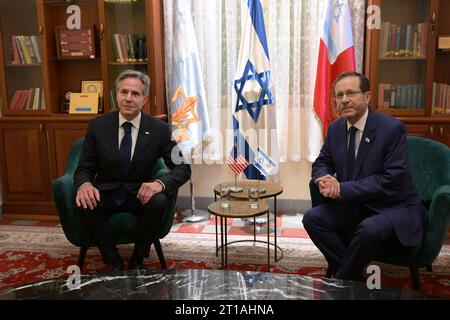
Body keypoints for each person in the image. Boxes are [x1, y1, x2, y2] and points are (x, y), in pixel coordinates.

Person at [302, 71, 427, 281]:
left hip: (392, 206)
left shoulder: (392, 129)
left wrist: (343, 189)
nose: (344, 100)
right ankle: (355, 280)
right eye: (339, 95)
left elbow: (392, 180)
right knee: (312, 218)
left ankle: (342, 279)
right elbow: (323, 162)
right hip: (354, 205)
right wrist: (323, 178)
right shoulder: (335, 129)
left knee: (369, 229)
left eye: (351, 93)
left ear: (367, 97)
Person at [74, 69, 191, 271]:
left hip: (140, 194)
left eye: (135, 94)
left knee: (159, 201)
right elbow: (84, 167)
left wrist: (159, 184)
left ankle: (138, 259)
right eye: (123, 92)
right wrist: (84, 184)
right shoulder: (97, 126)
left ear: (144, 99)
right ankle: (114, 261)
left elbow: (183, 168)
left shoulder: (160, 129)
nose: (128, 98)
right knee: (84, 203)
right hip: (106, 192)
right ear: (116, 94)